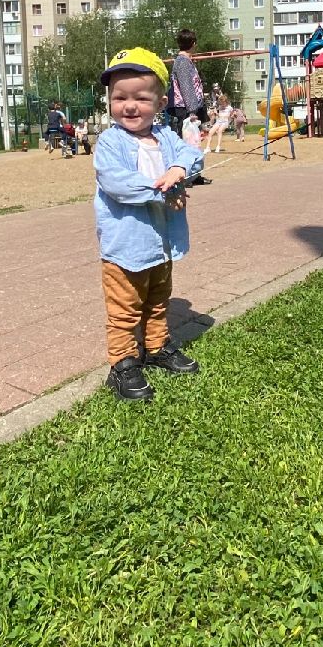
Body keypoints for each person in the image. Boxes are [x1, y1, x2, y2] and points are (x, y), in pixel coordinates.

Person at [94, 47, 205, 402]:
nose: (129, 106)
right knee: (124, 309)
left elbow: (194, 154)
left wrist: (179, 169)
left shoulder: (167, 137)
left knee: (158, 301)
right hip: (125, 246)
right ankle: (123, 364)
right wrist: (162, 189)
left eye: (141, 98)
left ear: (159, 103)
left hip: (161, 241)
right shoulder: (110, 141)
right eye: (119, 97)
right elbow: (116, 182)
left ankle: (157, 347)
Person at [168, 29, 208, 130]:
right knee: (188, 141)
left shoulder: (186, 61)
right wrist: (192, 110)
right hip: (186, 109)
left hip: (188, 108)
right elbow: (186, 87)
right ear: (193, 44)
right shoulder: (183, 62)